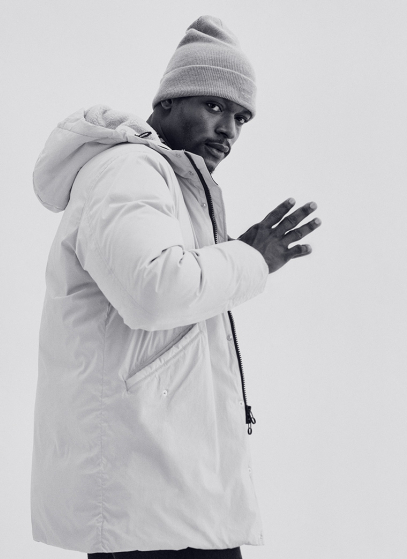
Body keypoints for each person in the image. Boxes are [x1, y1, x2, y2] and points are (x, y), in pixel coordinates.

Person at [31, 15, 321, 559]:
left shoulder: (166, 181)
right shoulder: (130, 169)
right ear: (166, 102)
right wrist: (250, 259)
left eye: (241, 117)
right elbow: (154, 292)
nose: (229, 130)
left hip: (164, 489)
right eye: (213, 106)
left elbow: (164, 292)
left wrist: (229, 255)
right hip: (145, 493)